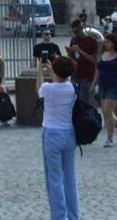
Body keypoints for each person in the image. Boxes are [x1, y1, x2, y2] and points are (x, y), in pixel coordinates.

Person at [39, 55, 81, 220]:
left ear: (55, 71)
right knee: (70, 178)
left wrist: (39, 71)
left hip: (51, 133)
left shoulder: (48, 89)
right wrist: (53, 69)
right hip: (69, 133)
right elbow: (61, 79)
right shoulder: (72, 88)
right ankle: (73, 216)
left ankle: (58, 216)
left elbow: (39, 89)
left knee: (54, 178)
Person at [96, 42, 117, 146]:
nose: (106, 44)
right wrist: (94, 84)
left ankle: (109, 139)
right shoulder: (102, 54)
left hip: (115, 86)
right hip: (103, 85)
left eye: (108, 41)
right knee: (107, 113)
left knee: (108, 111)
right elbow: (97, 70)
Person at [68, 18, 101, 103]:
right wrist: (69, 53)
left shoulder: (92, 41)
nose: (76, 34)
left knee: (84, 101)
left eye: (77, 32)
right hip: (75, 75)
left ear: (82, 28)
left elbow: (94, 60)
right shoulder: (74, 40)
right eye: (74, 32)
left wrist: (80, 51)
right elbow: (72, 57)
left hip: (87, 76)